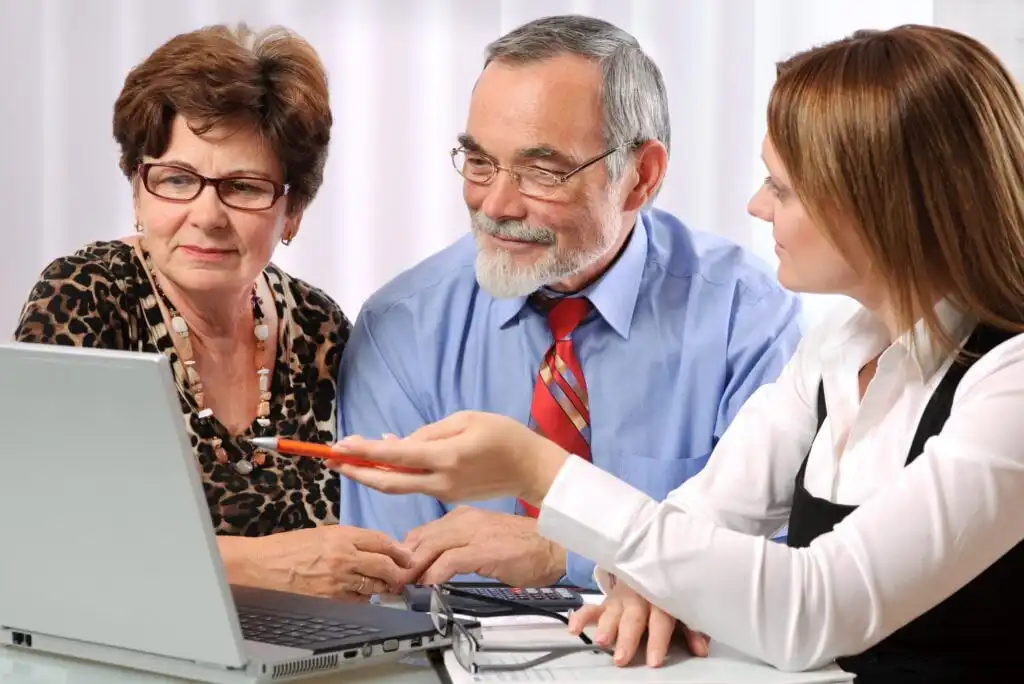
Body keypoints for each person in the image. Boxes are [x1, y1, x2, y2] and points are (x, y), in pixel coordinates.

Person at [331, 24, 1024, 682]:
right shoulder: (835, 357)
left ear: (884, 205)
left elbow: (813, 605)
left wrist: (539, 472)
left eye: (782, 188)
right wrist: (651, 575)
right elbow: (698, 528)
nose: (756, 206)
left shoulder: (1009, 385)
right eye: (480, 160)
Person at [337, 15, 803, 590]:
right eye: (480, 163)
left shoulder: (746, 318)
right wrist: (641, 564)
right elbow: (397, 577)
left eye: (541, 170)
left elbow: (775, 567)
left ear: (641, 177)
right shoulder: (400, 329)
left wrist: (565, 553)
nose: (498, 204)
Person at [12, 24, 409, 602]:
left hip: (304, 645)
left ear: (292, 210)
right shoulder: (83, 296)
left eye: (243, 188)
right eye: (176, 179)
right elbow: (45, 534)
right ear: (137, 190)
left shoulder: (320, 326)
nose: (207, 215)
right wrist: (256, 565)